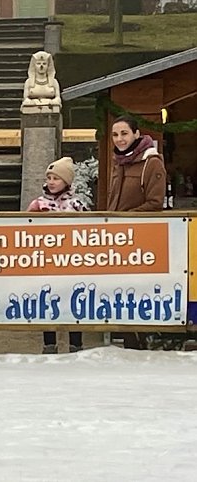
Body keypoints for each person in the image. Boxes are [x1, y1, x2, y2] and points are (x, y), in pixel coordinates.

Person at [107, 116, 166, 349]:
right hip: (117, 238)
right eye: (115, 134)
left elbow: (155, 202)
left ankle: (142, 341)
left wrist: (126, 218)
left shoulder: (151, 163)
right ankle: (128, 339)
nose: (119, 139)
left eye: (124, 133)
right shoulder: (118, 162)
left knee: (138, 289)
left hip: (140, 238)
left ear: (136, 134)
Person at [27, 156, 88, 354]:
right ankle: (49, 343)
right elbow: (24, 227)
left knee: (74, 299)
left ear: (67, 182)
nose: (52, 182)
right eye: (49, 178)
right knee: (47, 299)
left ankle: (75, 343)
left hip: (72, 261)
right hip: (46, 260)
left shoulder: (77, 205)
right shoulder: (39, 204)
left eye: (56, 178)